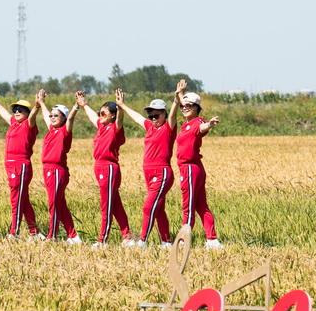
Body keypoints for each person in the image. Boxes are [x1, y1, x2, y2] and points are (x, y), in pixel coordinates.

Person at [117, 89, 179, 248]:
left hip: (162, 172)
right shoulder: (150, 127)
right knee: (158, 208)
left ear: (164, 114)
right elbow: (138, 117)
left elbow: (173, 116)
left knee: (148, 206)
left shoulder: (168, 128)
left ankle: (142, 241)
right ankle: (166, 242)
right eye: (150, 115)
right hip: (148, 173)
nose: (153, 118)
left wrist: (177, 99)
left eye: (156, 115)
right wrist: (123, 105)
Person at [77, 90, 134, 247]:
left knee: (106, 205)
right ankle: (127, 236)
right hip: (100, 167)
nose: (100, 116)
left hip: (109, 168)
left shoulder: (115, 129)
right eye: (99, 113)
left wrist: (121, 106)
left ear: (112, 116)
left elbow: (120, 119)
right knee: (115, 204)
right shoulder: (101, 127)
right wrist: (84, 104)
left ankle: (103, 240)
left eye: (103, 113)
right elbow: (92, 116)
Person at [0, 87, 44, 240]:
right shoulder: (13, 123)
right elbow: (4, 114)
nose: (17, 112)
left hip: (21, 165)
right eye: (15, 109)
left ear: (27, 112)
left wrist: (37, 106)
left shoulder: (29, 125)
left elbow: (33, 116)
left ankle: (14, 232)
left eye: (21, 109)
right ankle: (35, 232)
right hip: (10, 165)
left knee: (16, 199)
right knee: (23, 199)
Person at [174, 79, 222, 248]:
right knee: (201, 205)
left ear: (197, 108)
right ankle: (212, 240)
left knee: (188, 206)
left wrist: (210, 124)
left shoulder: (197, 122)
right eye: (183, 106)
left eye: (189, 106)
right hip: (193, 169)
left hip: (190, 169)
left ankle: (183, 240)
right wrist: (180, 92)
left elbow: (203, 127)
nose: (185, 107)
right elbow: (183, 103)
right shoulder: (186, 124)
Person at [36, 89, 82, 244]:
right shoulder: (52, 129)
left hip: (57, 170)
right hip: (47, 169)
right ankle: (73, 236)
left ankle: (52, 236)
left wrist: (76, 106)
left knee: (53, 204)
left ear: (63, 117)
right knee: (60, 204)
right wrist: (41, 102)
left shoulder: (64, 131)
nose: (52, 117)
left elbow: (70, 120)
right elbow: (45, 115)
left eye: (56, 115)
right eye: (52, 115)